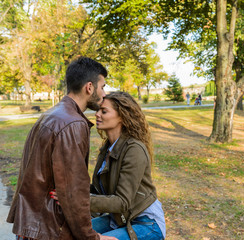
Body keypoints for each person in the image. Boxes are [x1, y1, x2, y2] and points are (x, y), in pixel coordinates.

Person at [7, 57, 116, 240]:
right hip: (50, 229)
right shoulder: (73, 124)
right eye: (102, 86)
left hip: (33, 226)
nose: (104, 93)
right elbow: (72, 191)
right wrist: (92, 238)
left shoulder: (52, 114)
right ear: (89, 87)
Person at [88, 92, 165, 240]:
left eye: (104, 111)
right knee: (73, 232)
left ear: (122, 116)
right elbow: (98, 190)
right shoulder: (108, 148)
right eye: (98, 110)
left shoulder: (134, 149)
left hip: (147, 223)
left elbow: (121, 202)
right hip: (118, 219)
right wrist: (70, 190)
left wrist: (77, 201)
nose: (97, 114)